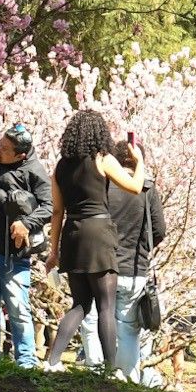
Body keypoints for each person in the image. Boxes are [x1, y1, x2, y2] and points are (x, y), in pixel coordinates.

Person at [45, 111, 147, 370]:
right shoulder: (103, 159)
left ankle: (53, 361)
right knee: (106, 305)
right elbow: (135, 187)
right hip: (99, 234)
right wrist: (139, 161)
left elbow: (57, 212)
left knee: (79, 303)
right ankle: (111, 369)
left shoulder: (60, 166)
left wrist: (52, 251)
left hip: (72, 234)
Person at [0, 124, 51, 364]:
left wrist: (26, 223)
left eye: (5, 149)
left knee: (18, 309)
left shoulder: (34, 171)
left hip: (14, 255)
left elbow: (49, 206)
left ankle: (26, 360)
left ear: (20, 155)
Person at [106, 140, 168, 381]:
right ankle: (128, 376)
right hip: (135, 268)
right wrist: (141, 245)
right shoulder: (147, 189)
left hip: (105, 265)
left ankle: (104, 373)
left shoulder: (105, 185)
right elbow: (160, 230)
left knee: (101, 318)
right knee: (129, 328)